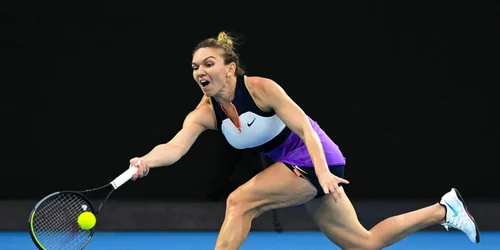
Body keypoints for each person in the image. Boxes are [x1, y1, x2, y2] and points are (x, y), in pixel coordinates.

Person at [127, 31, 480, 250]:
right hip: (297, 167)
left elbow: (306, 129)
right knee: (364, 244)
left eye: (208, 64)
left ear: (230, 68)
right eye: (194, 67)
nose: (200, 72)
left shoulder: (262, 89)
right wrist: (145, 160)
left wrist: (323, 173)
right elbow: (174, 147)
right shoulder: (206, 111)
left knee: (239, 202)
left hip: (315, 158)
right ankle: (444, 209)